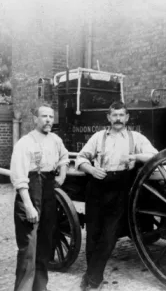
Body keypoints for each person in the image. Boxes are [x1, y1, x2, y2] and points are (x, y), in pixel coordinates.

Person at [75, 101, 158, 291]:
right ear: (109, 118)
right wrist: (91, 169)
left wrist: (136, 157)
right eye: (115, 115)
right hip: (97, 185)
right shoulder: (98, 137)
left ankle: (91, 277)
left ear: (127, 118)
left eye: (121, 115)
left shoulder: (135, 138)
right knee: (94, 233)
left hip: (120, 187)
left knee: (110, 234)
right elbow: (80, 158)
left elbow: (154, 155)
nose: (118, 119)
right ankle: (94, 278)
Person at [10, 104, 69, 291]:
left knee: (44, 247)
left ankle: (40, 288)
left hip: (48, 192)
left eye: (51, 116)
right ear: (35, 118)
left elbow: (65, 157)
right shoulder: (24, 143)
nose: (48, 120)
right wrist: (28, 206)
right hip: (30, 193)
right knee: (28, 250)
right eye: (44, 116)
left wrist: (62, 175)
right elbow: (19, 178)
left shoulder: (55, 140)